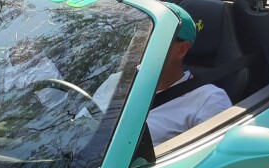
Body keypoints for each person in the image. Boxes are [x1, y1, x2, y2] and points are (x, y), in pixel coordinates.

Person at [92, 8, 231, 143]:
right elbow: (81, 127)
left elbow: (210, 161)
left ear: (182, 49)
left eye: (150, 37)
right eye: (138, 35)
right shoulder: (116, 81)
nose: (139, 45)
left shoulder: (209, 100)